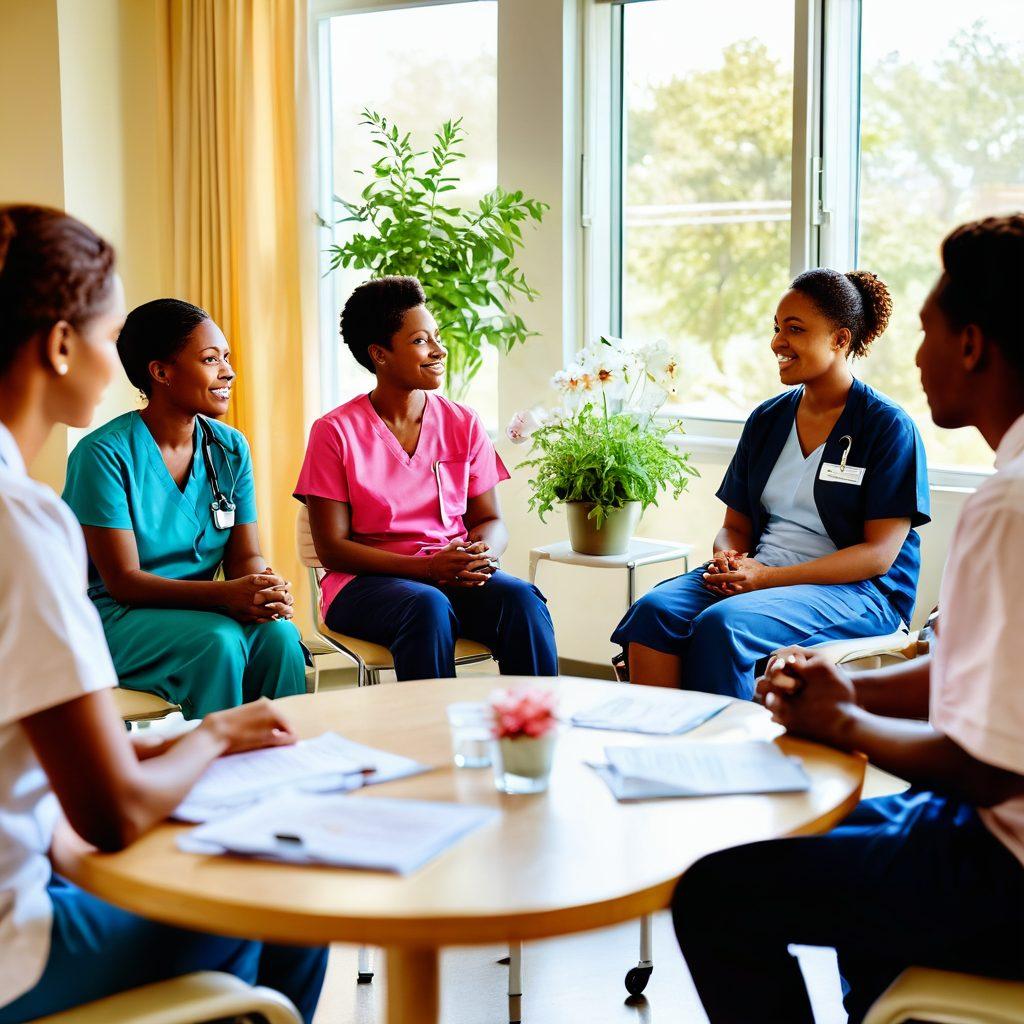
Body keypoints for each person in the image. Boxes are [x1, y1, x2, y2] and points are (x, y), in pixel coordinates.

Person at [672, 214, 1024, 1022]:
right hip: (982, 825)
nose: (917, 354)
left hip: (1001, 861)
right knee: (798, 838)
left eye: (928, 333)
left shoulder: (1007, 503)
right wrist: (848, 690)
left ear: (972, 345)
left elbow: (993, 769)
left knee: (716, 893)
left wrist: (846, 722)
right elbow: (974, 671)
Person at [0, 204, 325, 1023]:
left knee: (268, 637)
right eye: (110, 341)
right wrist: (215, 732)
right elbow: (110, 815)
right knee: (282, 902)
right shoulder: (25, 517)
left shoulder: (224, 447)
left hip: (34, 851)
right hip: (17, 943)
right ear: (62, 344)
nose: (111, 366)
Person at [612, 268, 929, 698]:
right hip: (762, 574)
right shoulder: (768, 419)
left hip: (858, 592)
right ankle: (663, 744)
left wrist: (765, 578)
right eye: (777, 328)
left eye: (794, 330)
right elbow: (735, 527)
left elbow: (877, 556)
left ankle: (726, 756)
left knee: (723, 625)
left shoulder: (886, 427)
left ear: (840, 340)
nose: (777, 342)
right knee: (653, 613)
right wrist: (729, 561)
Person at [295, 276, 558, 681]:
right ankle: (430, 738)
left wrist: (480, 555)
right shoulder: (334, 432)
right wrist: (428, 570)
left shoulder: (463, 422)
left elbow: (489, 519)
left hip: (448, 575)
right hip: (365, 584)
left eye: (436, 336)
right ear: (379, 354)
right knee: (427, 605)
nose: (439, 350)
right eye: (421, 341)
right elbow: (332, 549)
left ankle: (534, 730)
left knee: (521, 600)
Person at [62, 298, 306, 719]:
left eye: (226, 358)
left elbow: (245, 555)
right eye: (211, 360)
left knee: (280, 637)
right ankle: (216, 773)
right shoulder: (103, 454)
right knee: (219, 640)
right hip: (121, 619)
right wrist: (226, 596)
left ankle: (284, 769)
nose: (228, 371)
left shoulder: (230, 447)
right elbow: (123, 582)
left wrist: (262, 588)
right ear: (161, 372)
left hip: (208, 609)